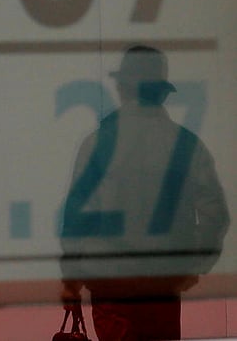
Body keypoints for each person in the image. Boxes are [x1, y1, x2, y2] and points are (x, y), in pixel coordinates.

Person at [59, 45, 229, 340]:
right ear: (162, 92)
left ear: (123, 87)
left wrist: (71, 279)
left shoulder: (97, 144)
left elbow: (77, 219)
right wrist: (193, 265)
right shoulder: (187, 146)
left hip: (111, 287)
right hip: (164, 286)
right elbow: (216, 214)